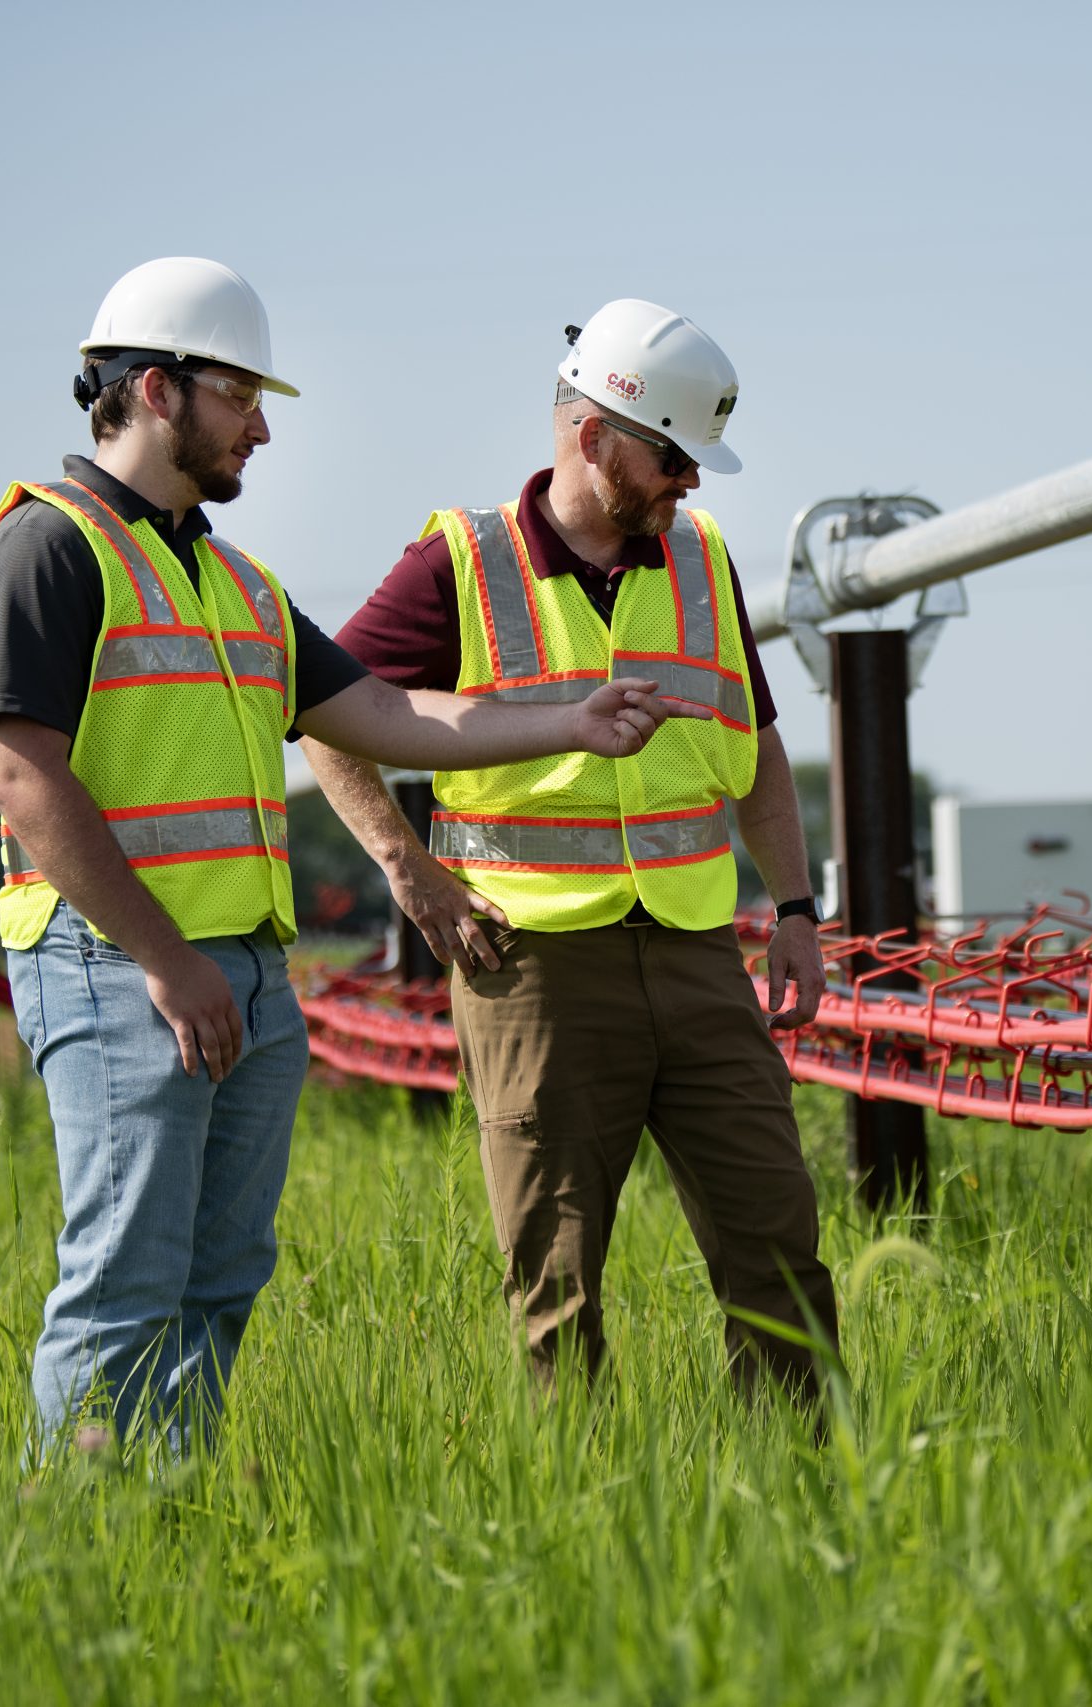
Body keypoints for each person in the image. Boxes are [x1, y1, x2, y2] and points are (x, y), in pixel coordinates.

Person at [0, 259, 683, 1452]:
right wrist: (165, 959)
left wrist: (569, 719)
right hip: (121, 966)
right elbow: (22, 775)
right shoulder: (48, 548)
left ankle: (165, 1510)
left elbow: (389, 718)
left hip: (239, 971)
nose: (260, 428)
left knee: (223, 1274)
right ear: (155, 389)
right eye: (242, 397)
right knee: (125, 1279)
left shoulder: (235, 583)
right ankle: (79, 1553)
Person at [302, 298, 838, 1402]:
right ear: (592, 436)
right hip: (531, 970)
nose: (690, 484)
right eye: (672, 458)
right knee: (555, 1286)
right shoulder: (461, 561)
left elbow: (760, 749)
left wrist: (793, 911)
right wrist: (410, 871)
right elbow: (326, 714)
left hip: (699, 959)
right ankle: (580, 1521)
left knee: (779, 1251)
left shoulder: (701, 560)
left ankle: (811, 1504)